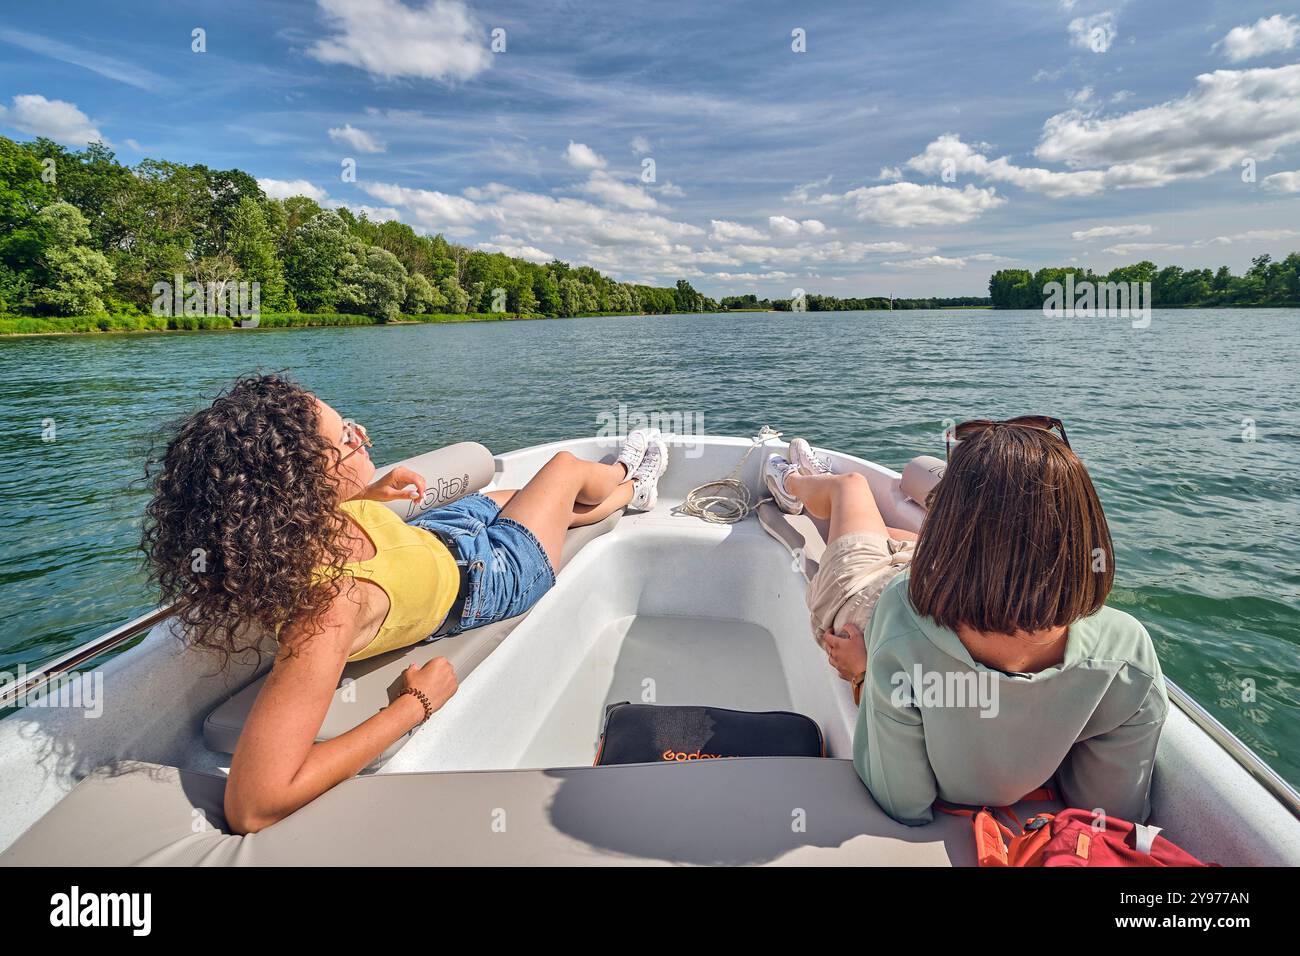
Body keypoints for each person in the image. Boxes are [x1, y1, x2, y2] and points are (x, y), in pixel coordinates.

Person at [142, 373, 668, 833]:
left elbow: (336, 520)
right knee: (563, 471)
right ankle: (627, 480)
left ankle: (612, 493)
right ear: (306, 480)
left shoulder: (293, 529)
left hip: (442, 537)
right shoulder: (328, 608)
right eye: (345, 437)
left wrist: (366, 493)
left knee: (536, 500)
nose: (360, 432)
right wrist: (413, 707)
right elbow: (255, 805)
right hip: (490, 579)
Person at [763, 420, 1167, 825]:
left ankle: (790, 481)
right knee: (887, 534)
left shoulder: (903, 624)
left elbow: (900, 798)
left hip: (868, 597)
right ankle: (828, 498)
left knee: (850, 487)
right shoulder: (1125, 652)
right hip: (935, 579)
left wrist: (866, 673)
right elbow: (1112, 813)